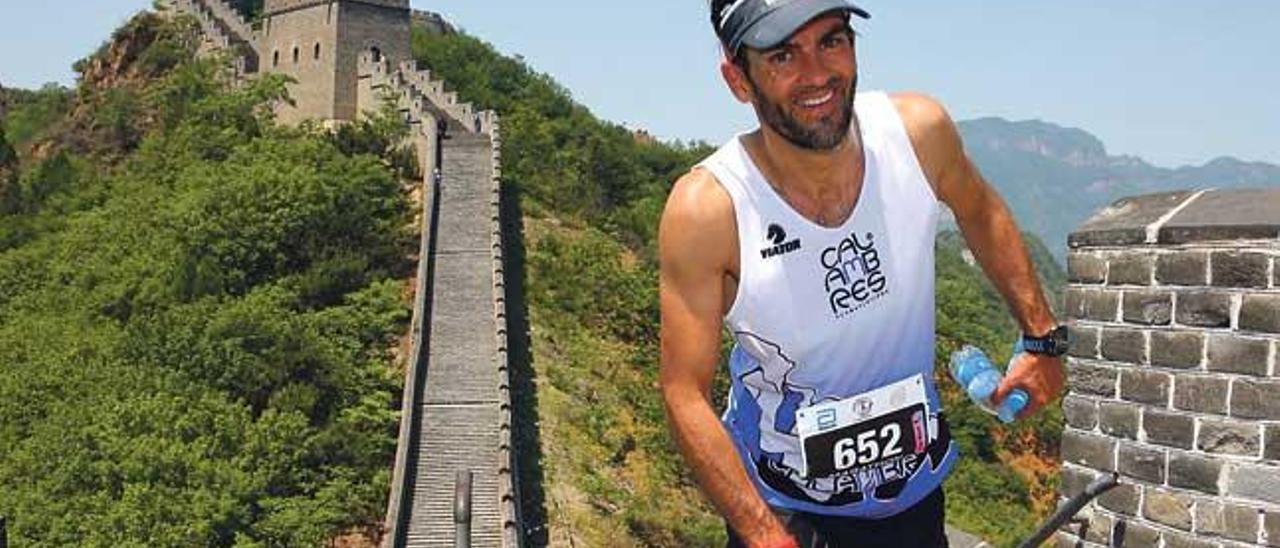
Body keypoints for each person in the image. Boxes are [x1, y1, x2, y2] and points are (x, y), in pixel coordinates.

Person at [657, 1, 1068, 546]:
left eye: (832, 40)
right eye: (783, 55)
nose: (818, 74)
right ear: (738, 79)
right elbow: (683, 392)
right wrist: (764, 536)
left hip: (915, 495)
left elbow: (980, 209)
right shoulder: (710, 210)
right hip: (787, 508)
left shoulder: (918, 133)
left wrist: (1041, 338)